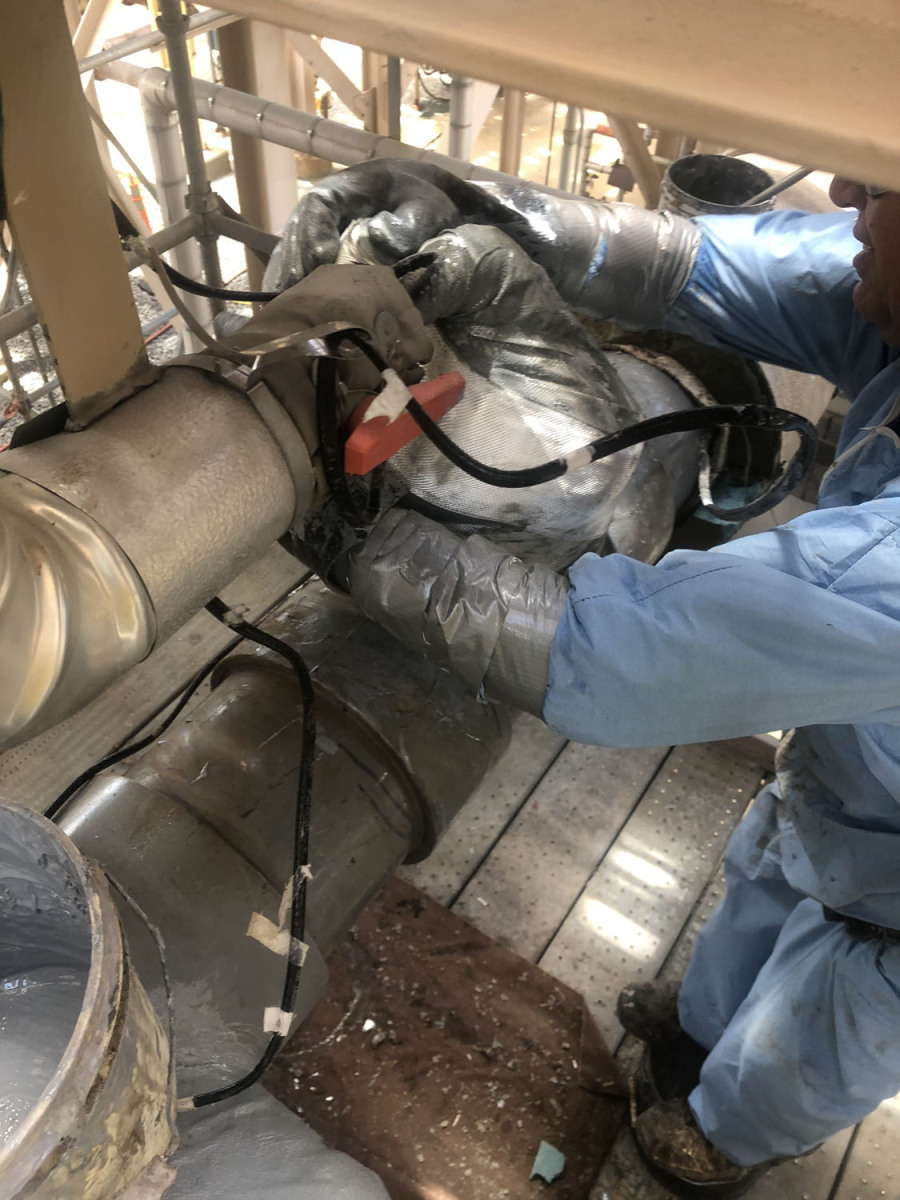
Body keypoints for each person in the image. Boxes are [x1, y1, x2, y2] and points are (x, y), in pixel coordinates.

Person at [268, 160, 900, 1198]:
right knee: (775, 876)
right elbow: (714, 268)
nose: (841, 195)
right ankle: (697, 1033)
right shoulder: (891, 291)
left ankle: (723, 1142)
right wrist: (496, 219)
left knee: (832, 1016)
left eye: (883, 188)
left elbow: (624, 655)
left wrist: (367, 545)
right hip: (862, 770)